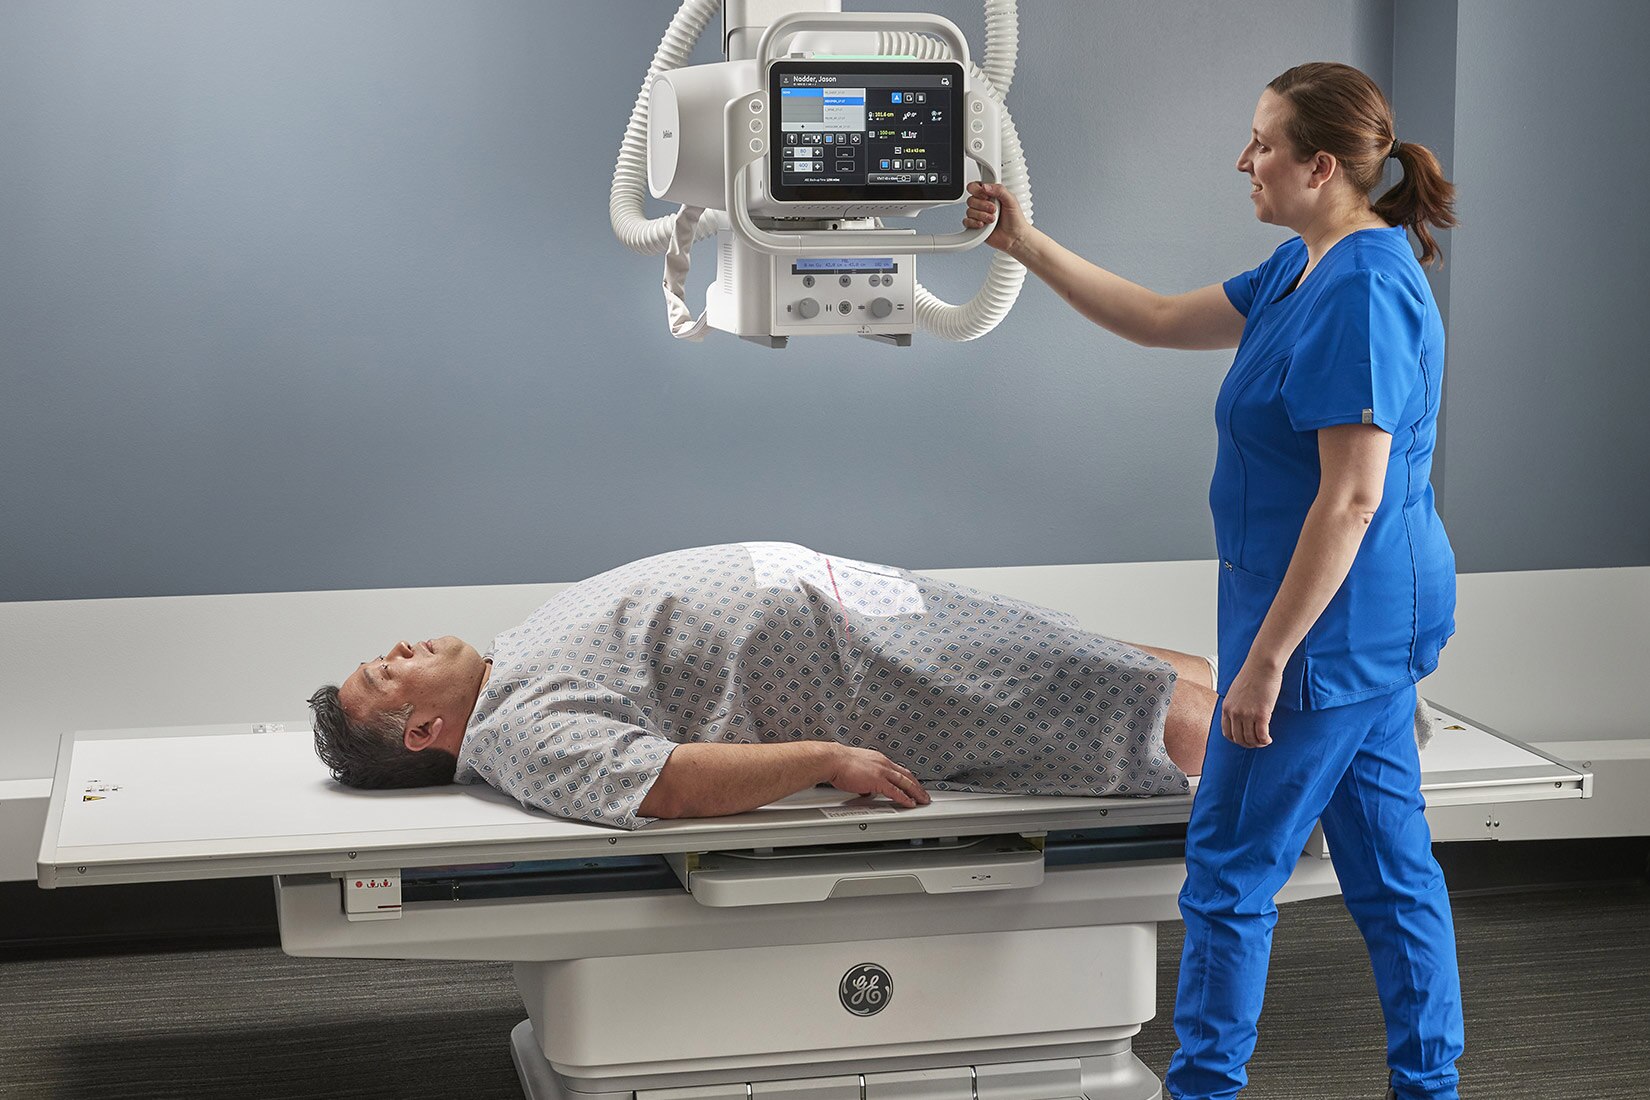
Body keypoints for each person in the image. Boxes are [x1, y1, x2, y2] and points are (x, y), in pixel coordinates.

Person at [964, 62, 1462, 1100]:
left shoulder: (1363, 291)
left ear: (1320, 167)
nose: (1245, 160)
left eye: (1263, 143)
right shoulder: (1302, 267)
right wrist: (1024, 243)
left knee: (1230, 871)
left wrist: (1266, 664)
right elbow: (1153, 316)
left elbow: (1351, 500)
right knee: (1391, 872)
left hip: (1325, 631)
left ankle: (1204, 1088)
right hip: (1351, 619)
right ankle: (1430, 1086)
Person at [308, 541, 1219, 830]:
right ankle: (1291, 769)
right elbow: (662, 784)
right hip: (878, 679)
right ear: (421, 732)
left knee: (1153, 666)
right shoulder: (520, 735)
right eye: (387, 673)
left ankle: (1273, 721)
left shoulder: (507, 671)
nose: (398, 648)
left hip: (866, 613)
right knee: (1149, 714)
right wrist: (824, 759)